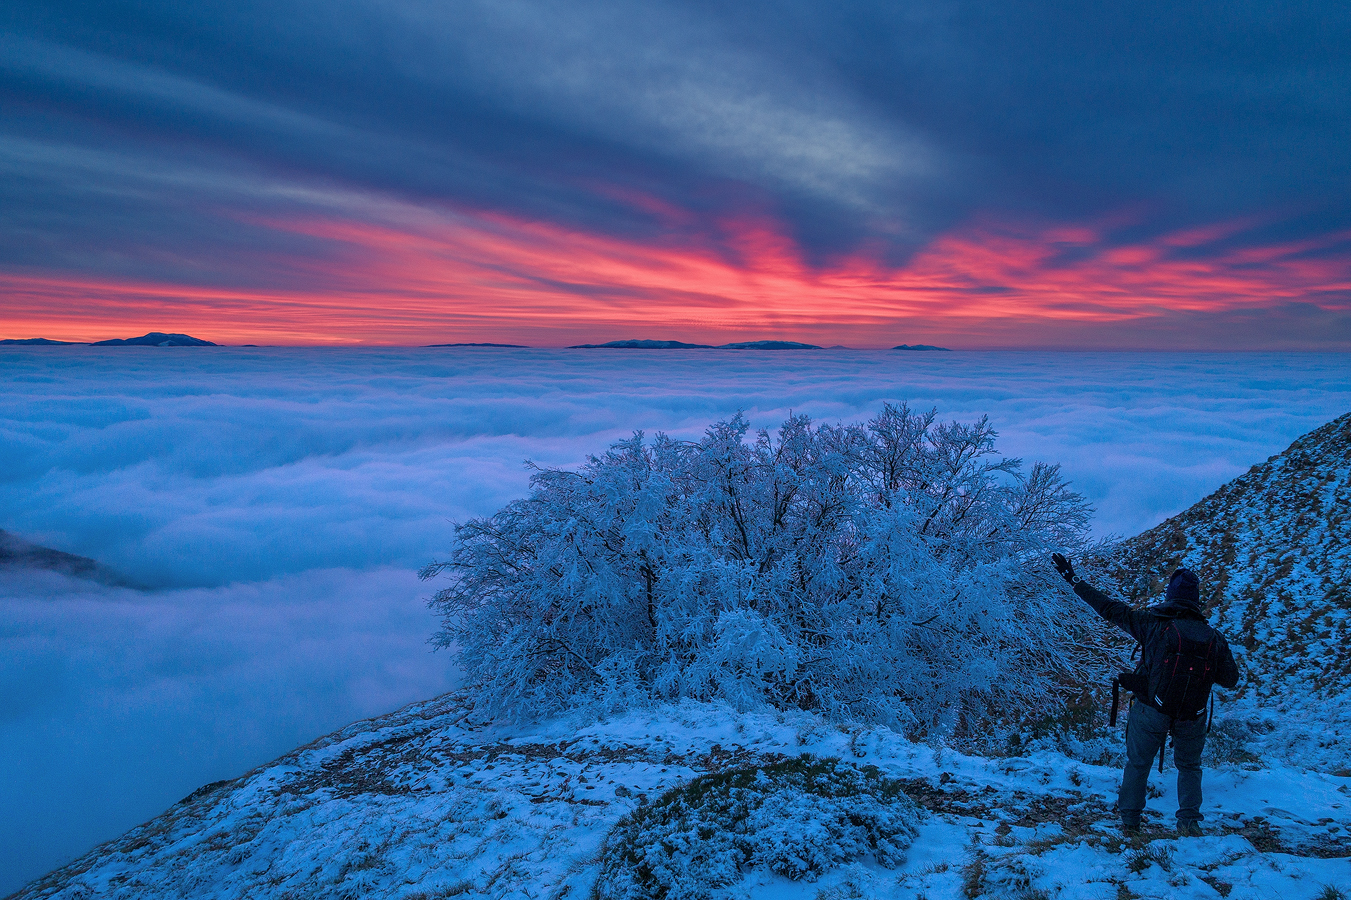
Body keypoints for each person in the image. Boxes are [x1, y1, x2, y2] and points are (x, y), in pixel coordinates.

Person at [1051, 553, 1239, 837]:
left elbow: (1109, 608)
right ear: (1196, 600)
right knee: (1190, 766)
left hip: (1151, 709)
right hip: (1193, 715)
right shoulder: (1213, 637)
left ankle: (1130, 823)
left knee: (1139, 763)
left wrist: (1074, 580)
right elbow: (1231, 679)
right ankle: (1189, 823)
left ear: (1170, 595)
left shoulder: (1152, 624)